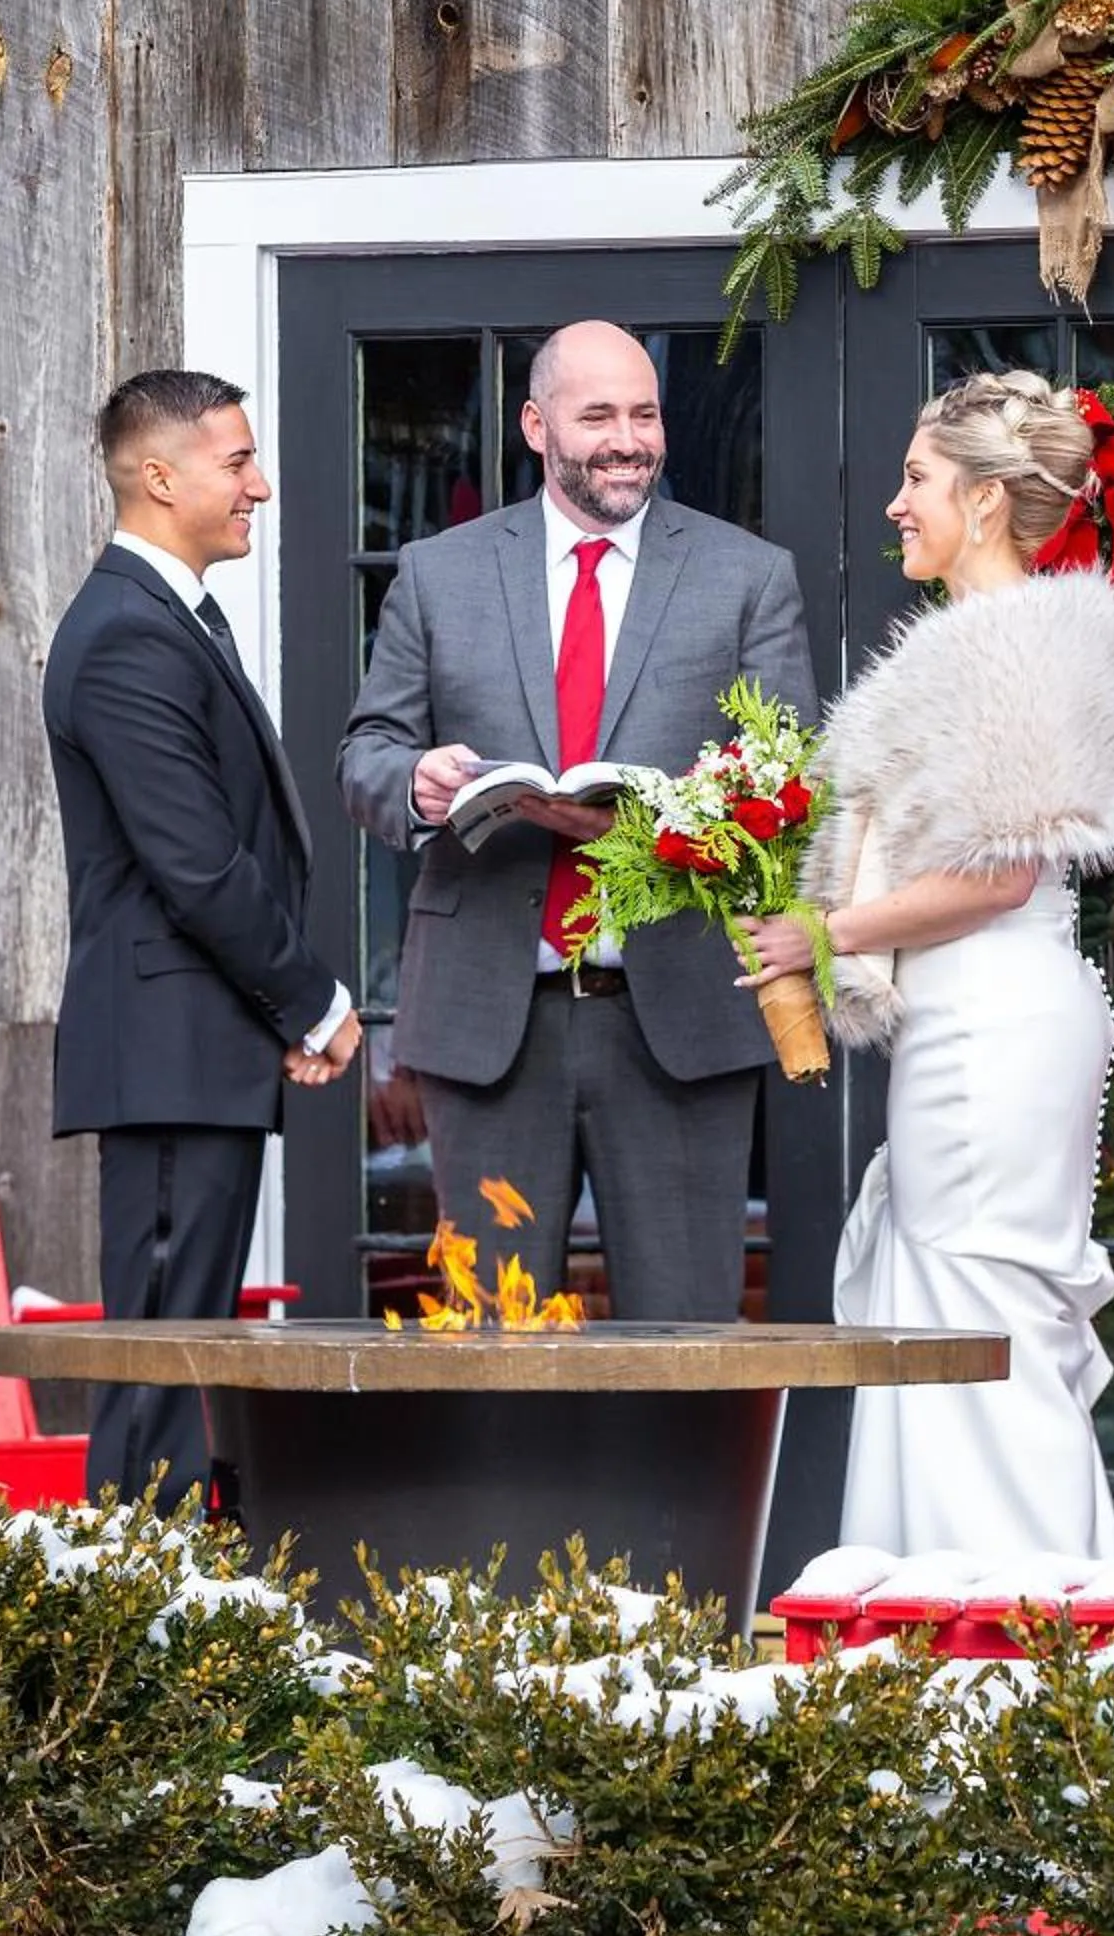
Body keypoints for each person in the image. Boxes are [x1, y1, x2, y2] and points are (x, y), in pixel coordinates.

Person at [739, 369, 1114, 1559]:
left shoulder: (1022, 643)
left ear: (981, 500)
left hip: (998, 1023)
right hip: (969, 1015)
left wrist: (829, 935)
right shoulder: (982, 639)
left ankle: (1019, 1617)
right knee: (948, 1302)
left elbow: (1004, 872)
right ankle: (943, 1605)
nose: (895, 505)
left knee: (982, 1306)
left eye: (916, 479)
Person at [338, 322, 815, 1319]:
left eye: (644, 413)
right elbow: (366, 756)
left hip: (678, 1014)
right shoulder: (440, 572)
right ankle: (499, 1488)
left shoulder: (747, 575)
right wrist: (416, 780)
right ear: (535, 423)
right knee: (491, 1341)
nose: (628, 437)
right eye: (598, 414)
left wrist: (660, 823)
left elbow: (790, 782)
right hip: (487, 1022)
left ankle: (677, 1490)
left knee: (687, 1346)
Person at [43, 368, 358, 1514]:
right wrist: (312, 1000)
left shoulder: (165, 615)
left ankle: (157, 1590)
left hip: (194, 1046)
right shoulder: (129, 633)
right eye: (237, 462)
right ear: (161, 474)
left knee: (180, 1342)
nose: (260, 486)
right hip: (168, 1051)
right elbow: (195, 864)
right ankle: (133, 1605)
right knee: (159, 1357)